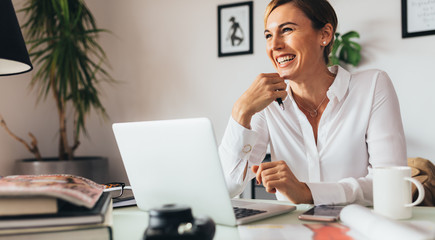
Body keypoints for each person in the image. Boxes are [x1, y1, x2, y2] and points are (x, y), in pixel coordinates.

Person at [218, 0, 407, 205]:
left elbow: (393, 186)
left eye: (287, 30)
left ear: (324, 35)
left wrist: (308, 192)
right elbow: (227, 186)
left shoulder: (372, 86)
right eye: (268, 35)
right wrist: (240, 111)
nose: (274, 45)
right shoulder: (268, 104)